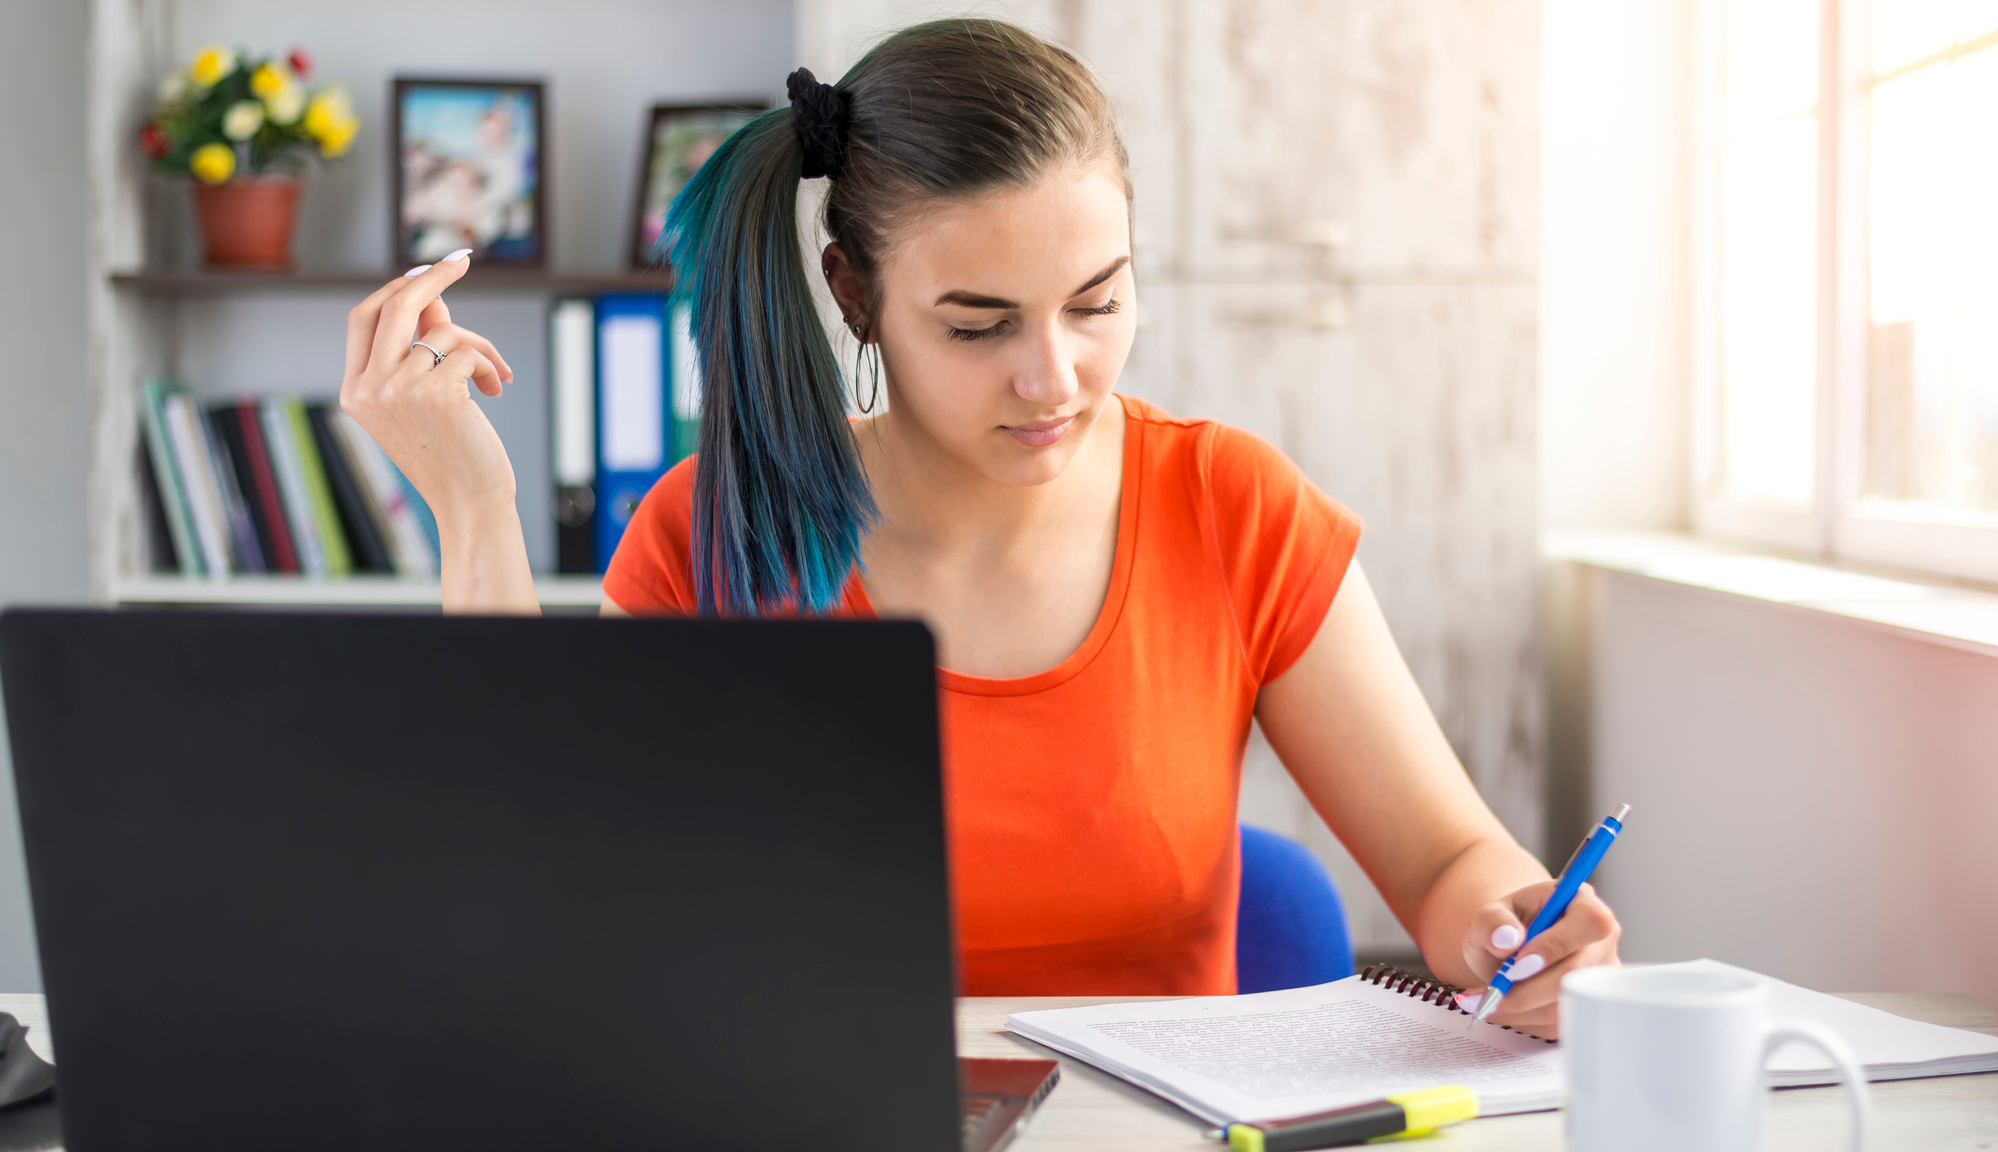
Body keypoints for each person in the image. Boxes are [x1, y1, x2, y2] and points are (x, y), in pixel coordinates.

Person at [338, 18, 1618, 1034]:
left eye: (1097, 302)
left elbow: (1451, 860)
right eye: (979, 323)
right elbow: (526, 899)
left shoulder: (1233, 507)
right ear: (856, 296)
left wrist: (1512, 927)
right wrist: (474, 507)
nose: (1054, 377)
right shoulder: (711, 536)